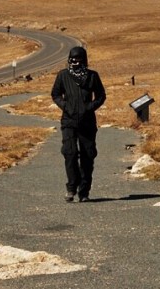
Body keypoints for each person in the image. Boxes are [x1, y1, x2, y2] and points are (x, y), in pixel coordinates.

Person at [51, 46, 106, 202]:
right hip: (68, 121)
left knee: (88, 155)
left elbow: (101, 96)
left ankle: (84, 192)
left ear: (84, 60)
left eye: (78, 60)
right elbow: (55, 94)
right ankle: (71, 188)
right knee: (70, 153)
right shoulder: (63, 75)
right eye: (72, 59)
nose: (74, 62)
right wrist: (65, 106)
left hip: (87, 122)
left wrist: (90, 107)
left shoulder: (92, 76)